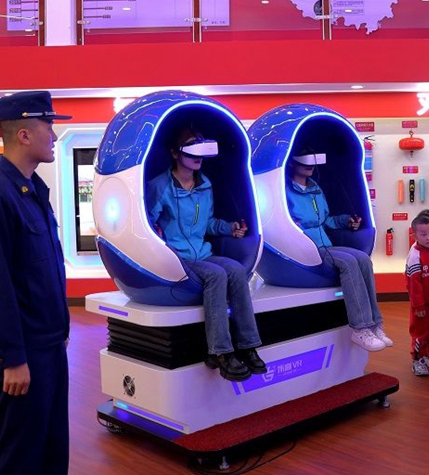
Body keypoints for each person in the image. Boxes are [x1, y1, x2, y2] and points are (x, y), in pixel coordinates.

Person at [0, 90, 73, 475]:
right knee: (17, 463)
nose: (54, 136)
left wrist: (60, 332)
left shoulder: (33, 191)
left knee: (51, 454)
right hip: (22, 353)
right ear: (24, 135)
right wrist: (11, 358)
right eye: (49, 126)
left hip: (49, 345)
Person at [147, 128, 265, 382]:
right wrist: (161, 248)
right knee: (216, 275)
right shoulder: (160, 186)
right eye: (192, 146)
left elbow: (208, 223)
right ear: (175, 153)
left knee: (236, 270)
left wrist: (229, 228)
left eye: (202, 146)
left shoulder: (205, 184)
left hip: (202, 254)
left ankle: (248, 345)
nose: (198, 154)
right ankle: (219, 351)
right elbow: (148, 224)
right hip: (177, 258)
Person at [285, 149, 392, 353]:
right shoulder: (286, 192)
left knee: (363, 258)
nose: (310, 165)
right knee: (348, 262)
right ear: (292, 163)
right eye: (305, 161)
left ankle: (375, 324)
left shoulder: (315, 189)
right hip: (305, 249)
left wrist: (346, 221)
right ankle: (360, 328)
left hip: (325, 244)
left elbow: (326, 220)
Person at [406, 214, 429, 376]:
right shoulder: (414, 255)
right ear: (415, 236)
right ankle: (417, 359)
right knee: (420, 332)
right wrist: (418, 305)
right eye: (423, 234)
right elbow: (413, 284)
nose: (428, 237)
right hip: (421, 304)